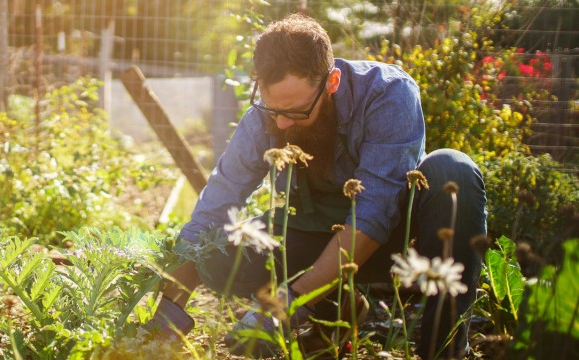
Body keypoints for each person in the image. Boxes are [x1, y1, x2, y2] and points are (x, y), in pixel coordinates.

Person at [145, 14, 486, 359]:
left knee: (452, 170)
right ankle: (339, 310)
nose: (280, 123)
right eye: (272, 108)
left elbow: (374, 213)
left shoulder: (387, 94)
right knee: (218, 255)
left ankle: (444, 348)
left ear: (332, 81)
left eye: (295, 112)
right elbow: (214, 207)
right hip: (316, 234)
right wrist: (167, 314)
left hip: (396, 244)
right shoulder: (265, 116)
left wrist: (289, 303)